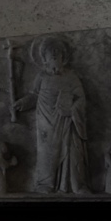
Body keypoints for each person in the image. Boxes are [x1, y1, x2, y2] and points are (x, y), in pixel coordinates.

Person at [13, 35, 88, 194]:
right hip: (46, 121)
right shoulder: (41, 76)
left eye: (57, 51)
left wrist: (72, 110)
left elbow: (81, 98)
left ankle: (75, 185)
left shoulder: (70, 76)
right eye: (49, 52)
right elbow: (34, 95)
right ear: (44, 58)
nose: (54, 54)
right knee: (46, 152)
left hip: (67, 120)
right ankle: (45, 184)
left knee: (71, 151)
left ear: (63, 56)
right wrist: (23, 103)